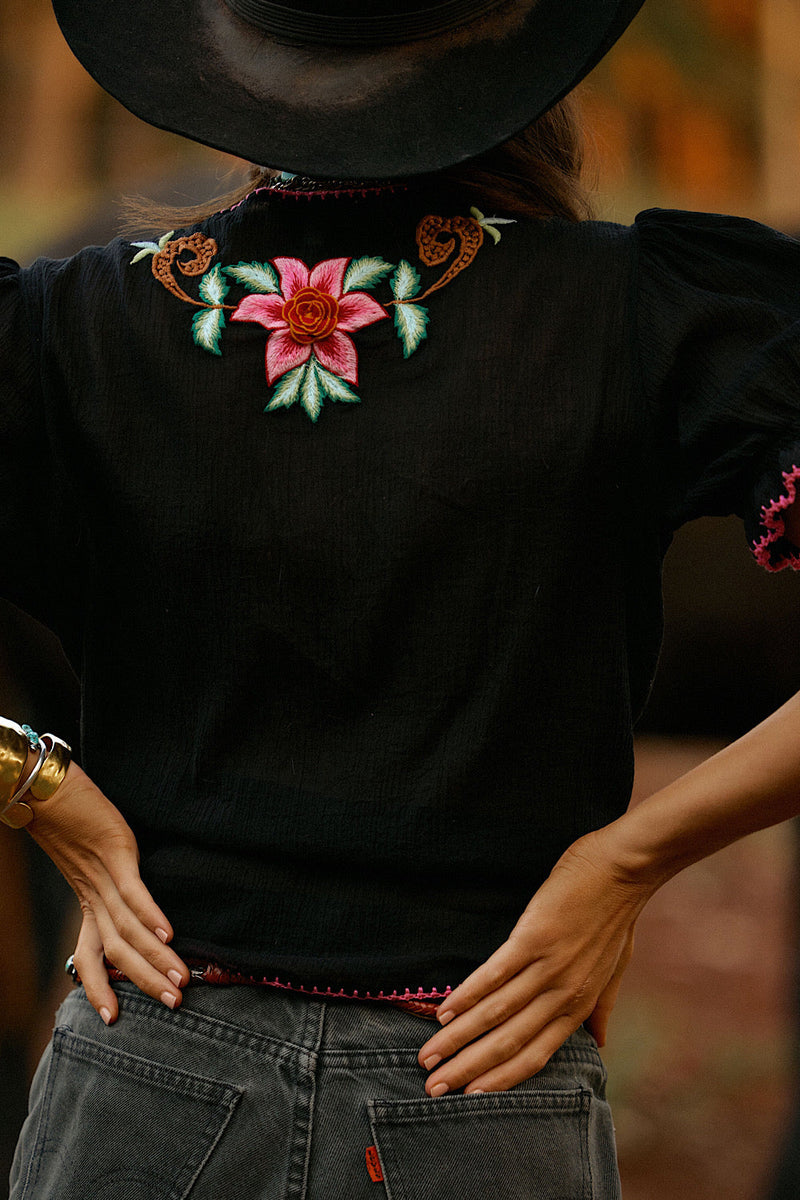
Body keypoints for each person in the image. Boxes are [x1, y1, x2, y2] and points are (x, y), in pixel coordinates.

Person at [4, 1, 800, 1196]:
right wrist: (629, 861)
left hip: (147, 1067)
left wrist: (34, 781)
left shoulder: (79, 325)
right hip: (483, 1074)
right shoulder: (644, 313)